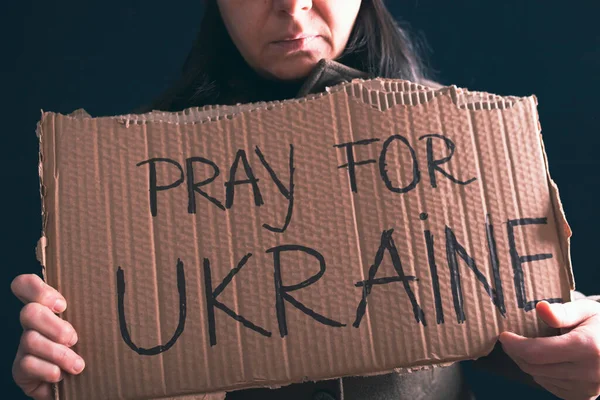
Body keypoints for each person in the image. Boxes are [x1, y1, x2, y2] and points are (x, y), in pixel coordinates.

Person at [11, 1, 600, 399]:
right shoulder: (127, 174)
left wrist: (582, 350)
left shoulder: (457, 143)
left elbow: (519, 322)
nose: (292, 6)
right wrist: (68, 369)